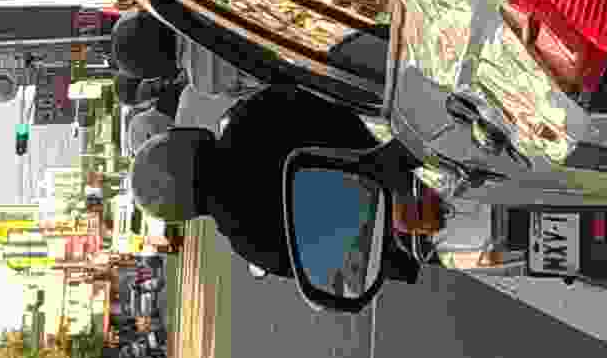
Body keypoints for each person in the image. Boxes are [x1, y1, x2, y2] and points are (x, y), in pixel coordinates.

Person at [128, 84, 447, 284]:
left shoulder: (247, 242)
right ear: (183, 139)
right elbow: (342, 101)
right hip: (418, 146)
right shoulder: (252, 116)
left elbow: (336, 270)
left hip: (418, 228)